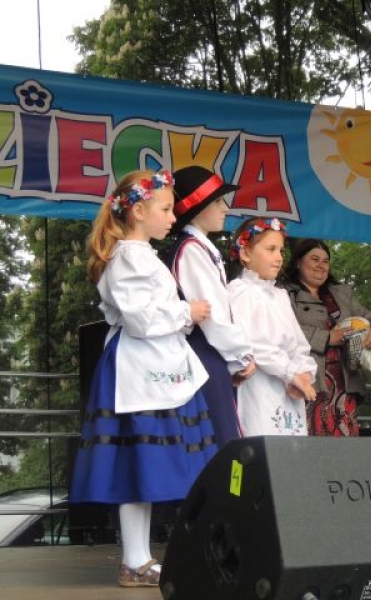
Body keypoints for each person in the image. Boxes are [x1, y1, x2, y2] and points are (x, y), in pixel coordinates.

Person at [70, 169, 216, 587]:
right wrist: (187, 311)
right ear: (137, 211)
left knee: (145, 461)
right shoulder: (129, 257)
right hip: (140, 370)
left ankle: (139, 558)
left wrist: (182, 316)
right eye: (166, 209)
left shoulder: (141, 254)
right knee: (139, 459)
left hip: (158, 367)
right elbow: (140, 319)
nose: (172, 217)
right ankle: (135, 559)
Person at [166, 165, 256, 447]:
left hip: (210, 352)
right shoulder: (191, 250)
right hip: (202, 353)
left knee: (221, 434)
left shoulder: (199, 247)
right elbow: (212, 315)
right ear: (197, 207)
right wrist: (241, 355)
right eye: (217, 201)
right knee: (220, 437)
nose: (225, 208)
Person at [281, 238, 371, 436]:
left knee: (345, 444)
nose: (321, 265)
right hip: (310, 380)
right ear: (298, 262)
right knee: (310, 442)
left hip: (346, 381)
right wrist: (328, 337)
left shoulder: (341, 293)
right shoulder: (284, 293)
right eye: (314, 259)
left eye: (325, 261)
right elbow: (283, 331)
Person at [227, 217, 317, 436]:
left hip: (289, 391)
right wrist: (291, 374)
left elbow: (299, 344)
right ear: (245, 253)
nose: (278, 258)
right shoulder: (239, 291)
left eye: (281, 251)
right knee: (263, 444)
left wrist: (305, 373)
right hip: (259, 389)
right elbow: (254, 344)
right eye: (270, 249)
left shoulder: (280, 295)